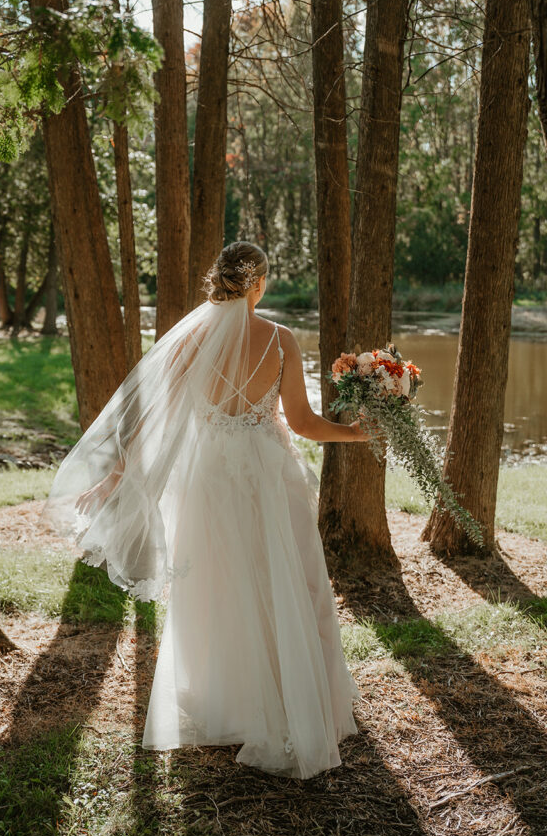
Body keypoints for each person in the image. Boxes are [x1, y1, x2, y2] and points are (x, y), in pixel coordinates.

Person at [42, 241, 368, 779]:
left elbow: (150, 421)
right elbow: (306, 424)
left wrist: (115, 477)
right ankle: (291, 700)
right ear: (258, 283)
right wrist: (355, 433)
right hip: (267, 476)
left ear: (219, 281)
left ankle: (233, 703)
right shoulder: (281, 340)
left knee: (220, 588)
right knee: (282, 581)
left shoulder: (192, 341)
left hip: (210, 477)